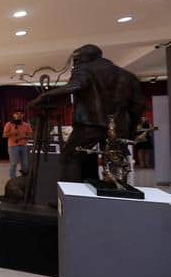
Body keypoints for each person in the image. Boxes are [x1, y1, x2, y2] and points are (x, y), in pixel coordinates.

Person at [29, 44, 145, 182]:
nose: (75, 63)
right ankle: (117, 192)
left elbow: (75, 85)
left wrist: (43, 97)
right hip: (118, 126)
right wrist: (131, 129)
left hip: (89, 125)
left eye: (76, 59)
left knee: (69, 158)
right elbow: (138, 106)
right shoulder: (128, 76)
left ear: (85, 57)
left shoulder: (84, 69)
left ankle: (72, 194)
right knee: (116, 161)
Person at [2, 109, 32, 179]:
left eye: (21, 114)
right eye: (17, 113)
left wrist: (23, 136)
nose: (19, 115)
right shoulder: (9, 124)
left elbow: (31, 135)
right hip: (13, 147)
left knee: (25, 164)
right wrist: (12, 133)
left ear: (23, 115)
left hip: (23, 146)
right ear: (14, 115)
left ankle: (24, 178)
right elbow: (4, 135)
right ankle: (13, 179)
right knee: (13, 163)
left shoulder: (26, 125)